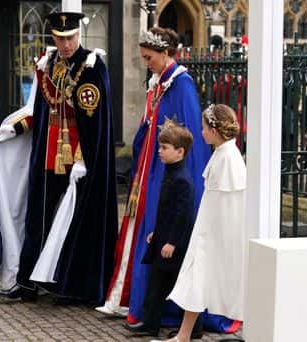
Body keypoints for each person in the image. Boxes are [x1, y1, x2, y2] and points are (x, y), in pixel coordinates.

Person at [0, 11, 118, 303]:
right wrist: (16, 128)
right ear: (53, 37)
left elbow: (95, 121)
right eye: (60, 38)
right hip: (47, 155)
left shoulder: (92, 66)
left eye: (71, 37)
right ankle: (29, 281)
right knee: (38, 219)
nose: (66, 44)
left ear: (79, 35)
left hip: (78, 158)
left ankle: (70, 285)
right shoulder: (47, 64)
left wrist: (84, 159)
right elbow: (39, 110)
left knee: (75, 221)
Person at [96, 27, 238, 334]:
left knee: (167, 253)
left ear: (165, 54)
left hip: (170, 177)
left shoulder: (181, 85)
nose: (146, 63)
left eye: (149, 58)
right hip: (153, 170)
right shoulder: (160, 83)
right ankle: (148, 311)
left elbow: (189, 141)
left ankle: (171, 318)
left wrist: (171, 171)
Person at [153, 104, 247, 342]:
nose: (202, 132)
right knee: (194, 282)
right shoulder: (224, 153)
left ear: (214, 130)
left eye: (204, 128)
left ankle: (184, 336)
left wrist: (206, 236)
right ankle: (183, 335)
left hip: (212, 235)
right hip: (208, 233)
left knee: (201, 281)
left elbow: (223, 205)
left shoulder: (227, 157)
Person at [125, 119, 197, 336]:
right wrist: (157, 233)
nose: (160, 152)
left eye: (165, 148)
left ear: (180, 152)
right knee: (156, 284)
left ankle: (194, 328)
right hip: (163, 239)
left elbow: (183, 215)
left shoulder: (182, 180)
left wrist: (172, 242)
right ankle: (151, 324)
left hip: (173, 244)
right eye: (160, 147)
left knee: (180, 285)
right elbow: (166, 211)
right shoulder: (171, 173)